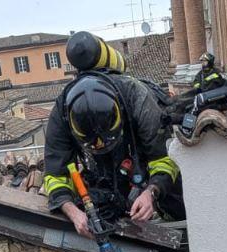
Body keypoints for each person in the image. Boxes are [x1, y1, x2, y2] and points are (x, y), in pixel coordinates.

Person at [42, 35, 184, 239]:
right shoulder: (62, 111)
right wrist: (73, 213)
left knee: (174, 204)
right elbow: (55, 175)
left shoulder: (138, 98)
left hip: (140, 161)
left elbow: (163, 159)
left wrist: (151, 193)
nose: (100, 145)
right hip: (102, 173)